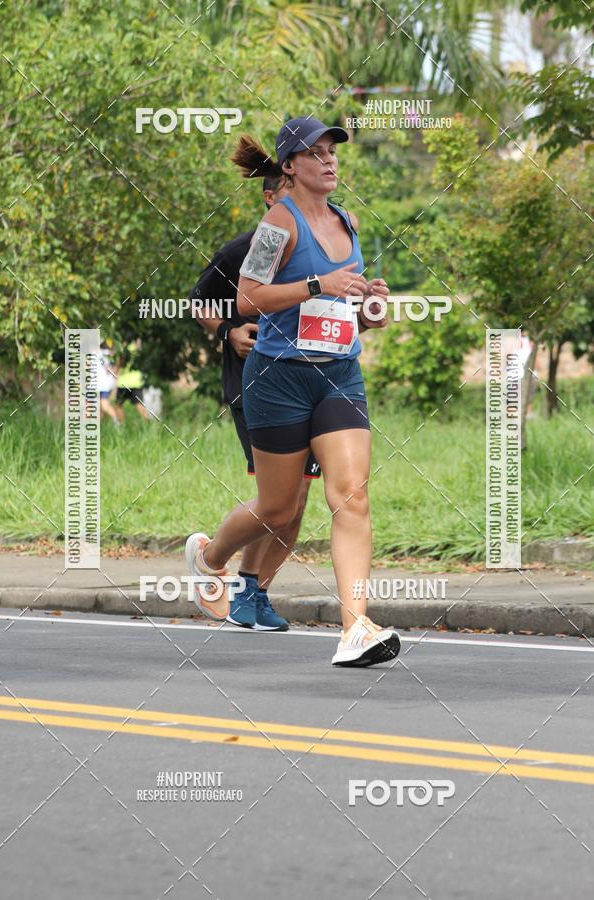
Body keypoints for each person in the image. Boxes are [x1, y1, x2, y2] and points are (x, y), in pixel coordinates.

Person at [186, 115, 400, 667]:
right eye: (316, 153)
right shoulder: (277, 225)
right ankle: (211, 558)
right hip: (277, 378)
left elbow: (345, 307)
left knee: (351, 494)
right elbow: (248, 298)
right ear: (290, 166)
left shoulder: (347, 221)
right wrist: (317, 283)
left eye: (333, 152)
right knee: (277, 507)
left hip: (339, 374)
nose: (329, 161)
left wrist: (369, 307)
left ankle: (355, 629)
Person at [189, 176, 321, 632]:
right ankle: (210, 560)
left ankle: (254, 593)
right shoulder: (246, 249)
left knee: (298, 500)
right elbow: (198, 302)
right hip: (257, 385)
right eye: (291, 189)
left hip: (314, 384)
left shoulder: (323, 247)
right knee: (277, 499)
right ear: (270, 198)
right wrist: (228, 331)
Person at [97, 343, 121, 426]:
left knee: (104, 405)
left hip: (102, 385)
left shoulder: (101, 353)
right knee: (101, 408)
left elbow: (108, 368)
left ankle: (116, 422)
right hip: (104, 384)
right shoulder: (107, 354)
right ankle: (101, 426)